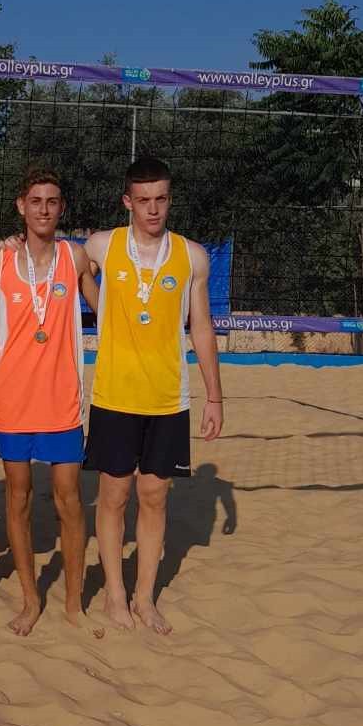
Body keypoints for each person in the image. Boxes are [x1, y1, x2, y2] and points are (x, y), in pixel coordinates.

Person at [84, 155, 224, 635]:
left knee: (154, 496)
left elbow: (201, 326)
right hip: (114, 396)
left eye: (161, 198)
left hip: (168, 399)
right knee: (113, 495)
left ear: (170, 199)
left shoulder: (192, 256)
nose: (152, 208)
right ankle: (115, 596)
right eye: (143, 199)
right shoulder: (103, 246)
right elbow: (60, 265)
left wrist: (215, 397)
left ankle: (144, 598)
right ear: (127, 201)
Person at [0, 169, 100, 636]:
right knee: (17, 500)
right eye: (36, 201)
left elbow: (106, 309)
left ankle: (74, 603)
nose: (44, 209)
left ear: (62, 208)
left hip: (61, 401)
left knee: (68, 502)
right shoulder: (0, 260)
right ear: (20, 206)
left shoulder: (74, 258)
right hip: (13, 399)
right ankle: (31, 600)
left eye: (53, 201)